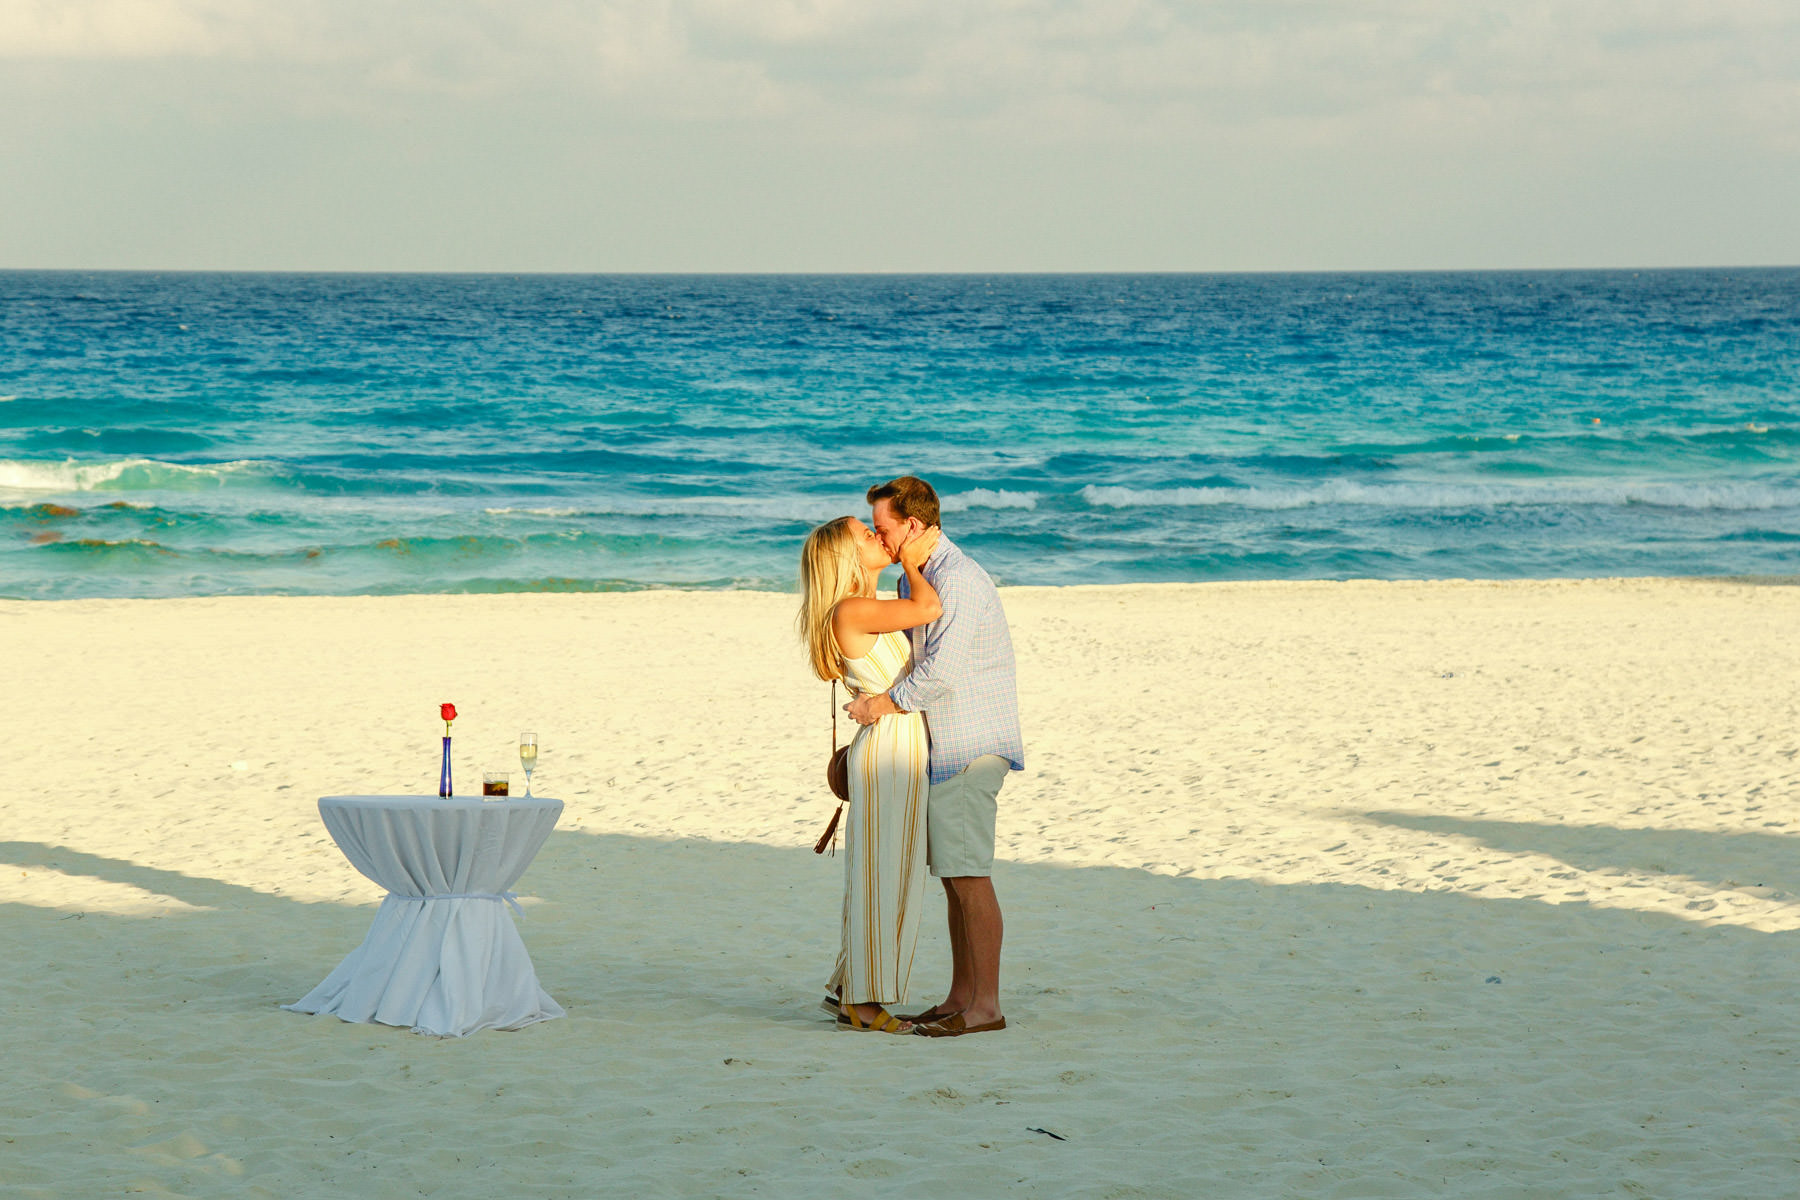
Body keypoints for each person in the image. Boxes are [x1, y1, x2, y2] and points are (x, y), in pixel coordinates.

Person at [845, 475, 1024, 1038]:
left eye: (883, 527)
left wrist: (881, 704)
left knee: (970, 876)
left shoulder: (961, 581)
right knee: (953, 876)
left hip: (969, 743)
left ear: (913, 525)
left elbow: (940, 674)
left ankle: (985, 1007)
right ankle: (959, 998)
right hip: (944, 747)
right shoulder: (921, 576)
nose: (880, 536)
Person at [797, 514, 943, 1033]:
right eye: (867, 536)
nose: (878, 537)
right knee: (883, 876)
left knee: (885, 873)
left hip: (893, 746)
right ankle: (861, 1003)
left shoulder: (862, 608)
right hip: (889, 751)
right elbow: (930, 607)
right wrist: (911, 554)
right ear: (847, 558)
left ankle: (848, 991)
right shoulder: (855, 609)